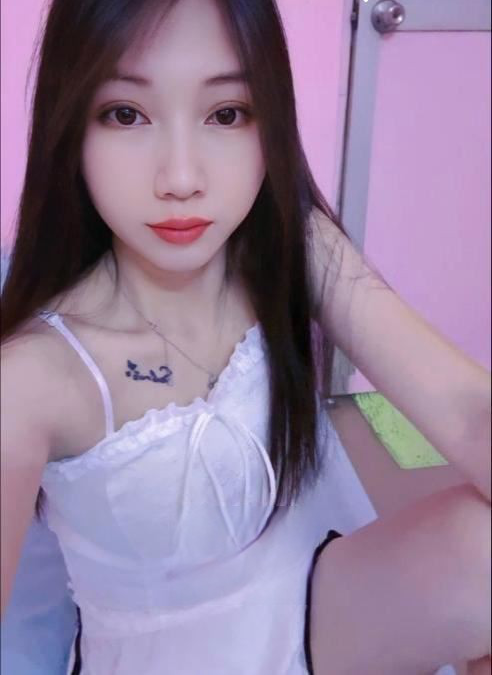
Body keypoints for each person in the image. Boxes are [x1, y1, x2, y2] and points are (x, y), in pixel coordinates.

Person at [1, 0, 490, 673]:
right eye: (126, 114)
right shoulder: (32, 379)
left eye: (227, 114)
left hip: (308, 606)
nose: (181, 179)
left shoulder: (290, 248)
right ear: (69, 125)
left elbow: (469, 413)